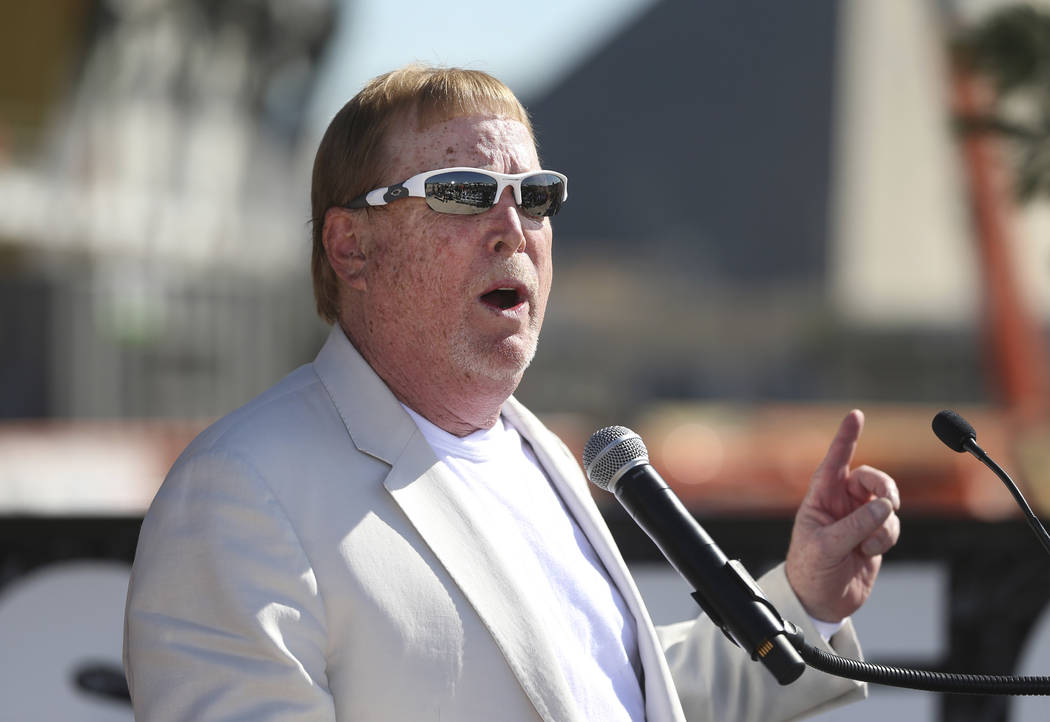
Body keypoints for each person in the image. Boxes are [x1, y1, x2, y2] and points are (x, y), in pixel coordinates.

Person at [123, 65, 901, 721]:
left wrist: (804, 602)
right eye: (463, 191)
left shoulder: (540, 457)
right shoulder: (241, 491)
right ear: (350, 245)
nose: (512, 226)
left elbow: (609, 697)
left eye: (534, 196)